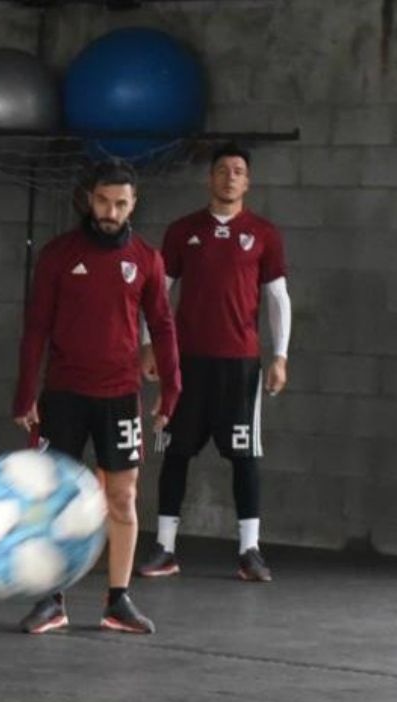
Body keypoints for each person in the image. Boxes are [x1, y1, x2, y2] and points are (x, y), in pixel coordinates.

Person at [13, 157, 182, 635]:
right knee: (56, 499)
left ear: (133, 205)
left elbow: (164, 327)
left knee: (122, 497)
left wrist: (172, 390)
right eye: (104, 201)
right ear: (90, 199)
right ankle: (52, 599)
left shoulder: (146, 259)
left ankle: (118, 600)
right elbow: (36, 330)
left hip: (119, 396)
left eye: (120, 204)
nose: (111, 211)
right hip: (64, 394)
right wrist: (25, 395)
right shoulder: (58, 255)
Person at [137, 143, 292, 582]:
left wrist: (280, 355)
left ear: (248, 181)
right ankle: (165, 548)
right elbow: (158, 291)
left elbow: (278, 298)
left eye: (238, 171)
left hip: (239, 365)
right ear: (211, 179)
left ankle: (250, 552)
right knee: (177, 453)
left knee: (245, 457)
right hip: (186, 364)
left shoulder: (263, 233)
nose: (229, 177)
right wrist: (149, 345)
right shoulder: (183, 230)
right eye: (222, 170)